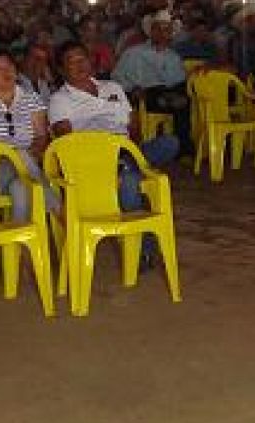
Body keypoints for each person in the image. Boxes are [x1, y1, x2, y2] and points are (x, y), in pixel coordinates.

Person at [49, 41, 179, 267]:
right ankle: (142, 252)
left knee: (170, 142)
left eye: (83, 59)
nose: (80, 65)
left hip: (125, 151)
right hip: (91, 160)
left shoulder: (112, 87)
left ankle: (126, 166)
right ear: (62, 70)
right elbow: (66, 143)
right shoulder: (60, 100)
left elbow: (133, 126)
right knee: (130, 181)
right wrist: (105, 157)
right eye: (72, 62)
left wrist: (130, 150)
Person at [0, 49, 58, 222]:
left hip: (29, 162)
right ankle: (56, 208)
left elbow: (41, 138)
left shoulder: (31, 98)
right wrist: (14, 155)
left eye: (10, 67)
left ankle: (18, 246)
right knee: (18, 155)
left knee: (20, 188)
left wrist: (30, 153)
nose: (6, 72)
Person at [112, 9, 192, 154]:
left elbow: (179, 81)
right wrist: (132, 88)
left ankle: (184, 150)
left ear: (171, 34)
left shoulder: (174, 57)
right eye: (158, 29)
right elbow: (117, 77)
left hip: (170, 92)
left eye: (166, 30)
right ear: (151, 31)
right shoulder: (134, 53)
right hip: (144, 94)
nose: (162, 33)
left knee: (184, 100)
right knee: (155, 95)